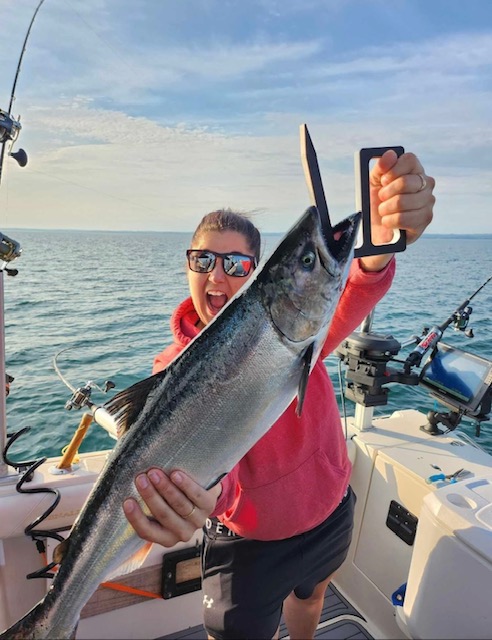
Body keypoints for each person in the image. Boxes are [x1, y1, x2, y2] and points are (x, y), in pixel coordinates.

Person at [123, 149, 435, 639]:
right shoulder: (169, 372)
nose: (217, 274)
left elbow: (354, 287)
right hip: (250, 543)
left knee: (311, 602)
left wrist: (379, 243)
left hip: (329, 512)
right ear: (188, 265)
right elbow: (212, 473)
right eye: (203, 259)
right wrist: (200, 499)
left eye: (236, 262)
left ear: (255, 271)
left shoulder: (295, 332)